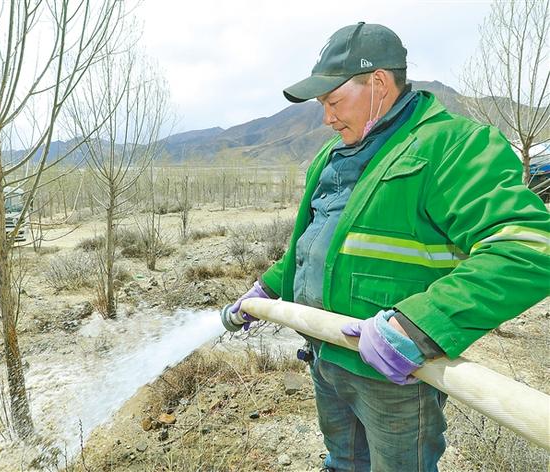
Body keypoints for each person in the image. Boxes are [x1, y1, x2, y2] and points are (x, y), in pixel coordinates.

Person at [229, 22, 550, 472]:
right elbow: (313, 245)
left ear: (378, 83)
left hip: (393, 379)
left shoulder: (452, 146)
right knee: (344, 462)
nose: (326, 118)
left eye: (333, 101)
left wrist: (418, 325)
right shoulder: (332, 155)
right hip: (326, 357)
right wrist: (267, 287)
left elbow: (529, 247)